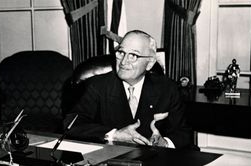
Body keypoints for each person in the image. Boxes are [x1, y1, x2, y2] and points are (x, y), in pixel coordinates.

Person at [64, 30, 192, 149]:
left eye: (133, 55)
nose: (124, 62)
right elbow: (71, 124)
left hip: (154, 162)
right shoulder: (97, 86)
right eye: (121, 52)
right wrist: (114, 135)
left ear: (150, 63)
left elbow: (184, 132)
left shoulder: (168, 88)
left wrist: (165, 143)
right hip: (110, 160)